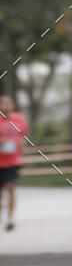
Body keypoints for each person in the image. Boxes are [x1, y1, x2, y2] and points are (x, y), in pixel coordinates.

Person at [0, 95, 29, 231]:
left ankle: (10, 218)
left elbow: (23, 136)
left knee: (11, 187)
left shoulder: (19, 119)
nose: (5, 106)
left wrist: (20, 143)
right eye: (3, 103)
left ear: (12, 105)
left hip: (13, 160)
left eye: (8, 103)